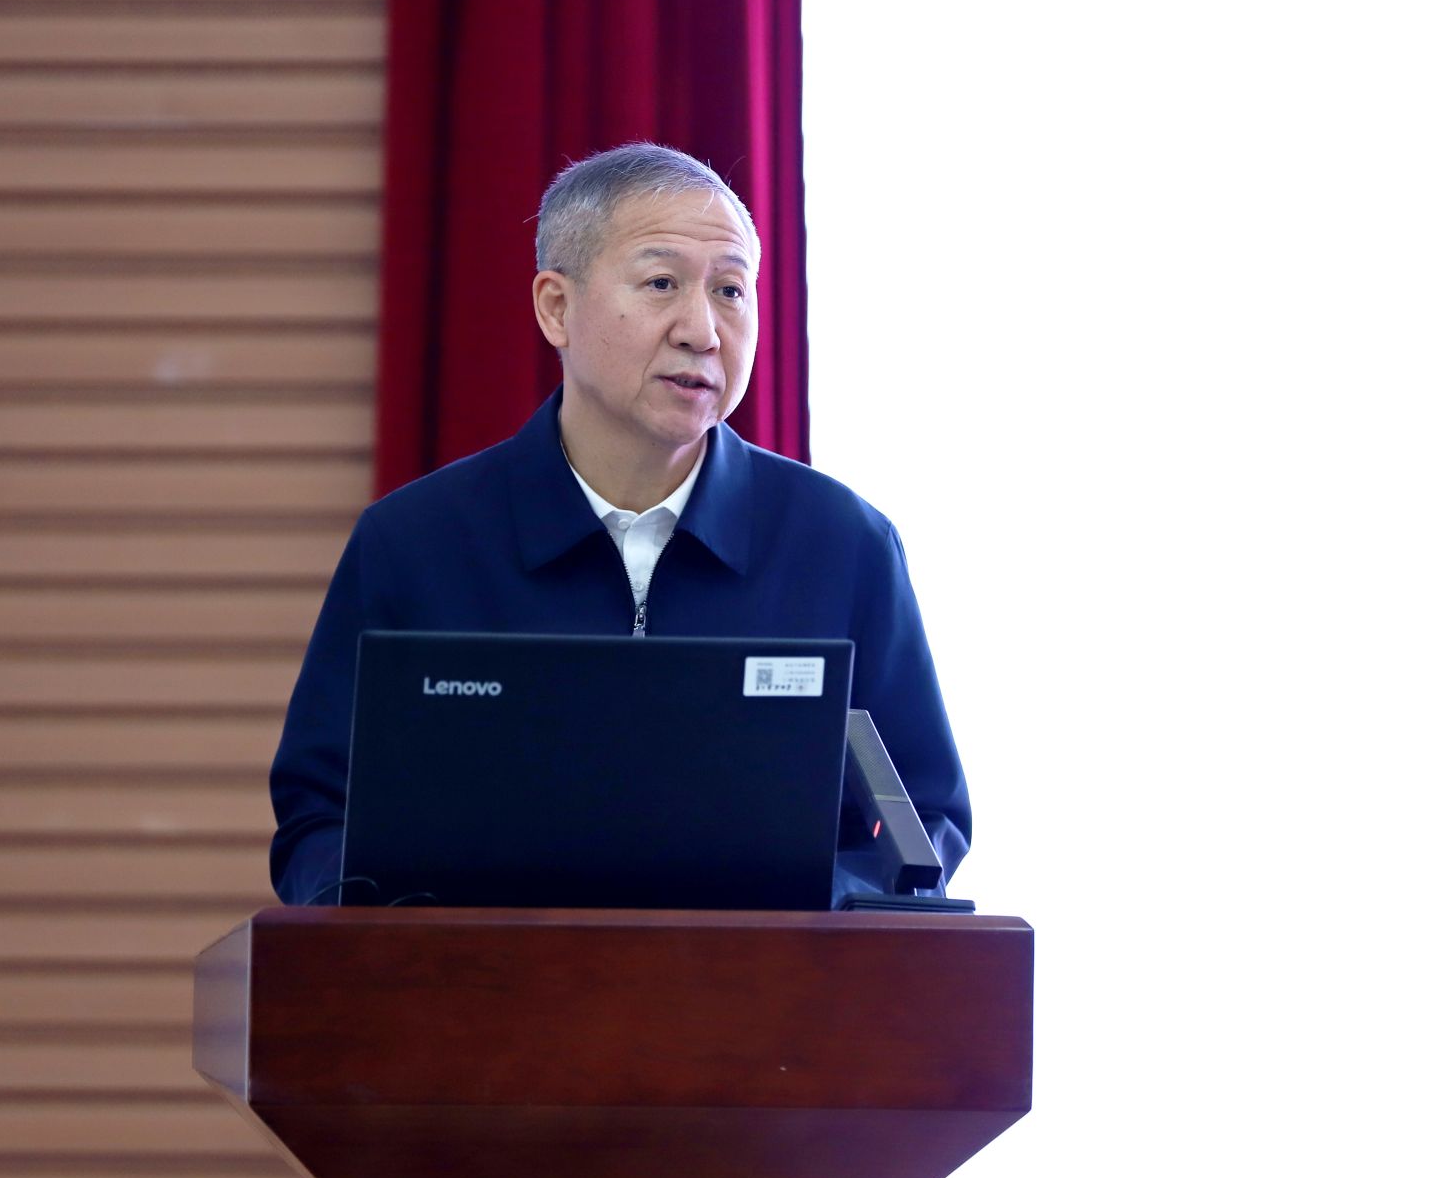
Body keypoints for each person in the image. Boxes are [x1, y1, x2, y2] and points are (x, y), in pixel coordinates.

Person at [269, 142, 970, 907]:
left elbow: (922, 821)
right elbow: (321, 818)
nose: (703, 330)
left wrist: (807, 915)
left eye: (731, 290)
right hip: (480, 981)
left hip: (766, 982)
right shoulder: (415, 544)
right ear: (556, 307)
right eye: (662, 282)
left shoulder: (843, 544)